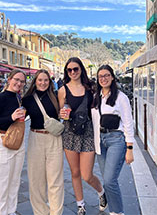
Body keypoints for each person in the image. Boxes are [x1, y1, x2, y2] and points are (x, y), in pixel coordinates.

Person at [58, 57, 107, 215]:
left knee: (87, 174)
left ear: (81, 70)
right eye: (69, 70)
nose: (72, 72)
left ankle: (101, 192)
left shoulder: (91, 88)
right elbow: (62, 112)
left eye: (75, 69)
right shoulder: (62, 90)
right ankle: (81, 205)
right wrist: (62, 113)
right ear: (67, 72)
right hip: (69, 133)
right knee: (75, 172)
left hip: (88, 133)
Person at [91, 65, 135, 215]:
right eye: (100, 76)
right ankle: (110, 203)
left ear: (112, 77)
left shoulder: (121, 97)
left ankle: (117, 212)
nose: (103, 78)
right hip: (100, 140)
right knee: (107, 179)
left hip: (116, 139)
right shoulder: (96, 97)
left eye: (106, 75)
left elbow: (128, 122)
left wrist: (130, 148)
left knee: (110, 180)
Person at [0, 69, 27, 215]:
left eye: (22, 81)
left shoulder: (18, 98)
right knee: (0, 183)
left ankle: (11, 211)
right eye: (16, 80)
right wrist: (11, 117)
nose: (19, 83)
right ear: (9, 79)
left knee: (14, 181)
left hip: (15, 141)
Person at [22, 69, 64, 215]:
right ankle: (40, 212)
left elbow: (64, 111)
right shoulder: (27, 99)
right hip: (36, 138)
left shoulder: (56, 96)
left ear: (50, 82)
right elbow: (19, 116)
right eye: (40, 80)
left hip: (54, 139)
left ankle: (56, 213)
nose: (43, 83)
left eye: (46, 80)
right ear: (35, 81)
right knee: (36, 181)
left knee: (55, 180)